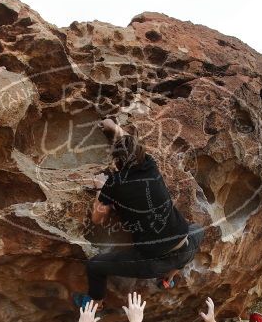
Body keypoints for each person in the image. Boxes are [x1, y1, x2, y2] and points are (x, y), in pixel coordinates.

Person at [74, 118, 202, 307]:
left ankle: (96, 302)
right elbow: (131, 144)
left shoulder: (114, 183)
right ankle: (169, 278)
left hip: (153, 262)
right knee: (198, 228)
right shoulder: (149, 164)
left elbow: (97, 219)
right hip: (186, 247)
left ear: (117, 161)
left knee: (95, 266)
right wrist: (114, 127)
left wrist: (100, 188)